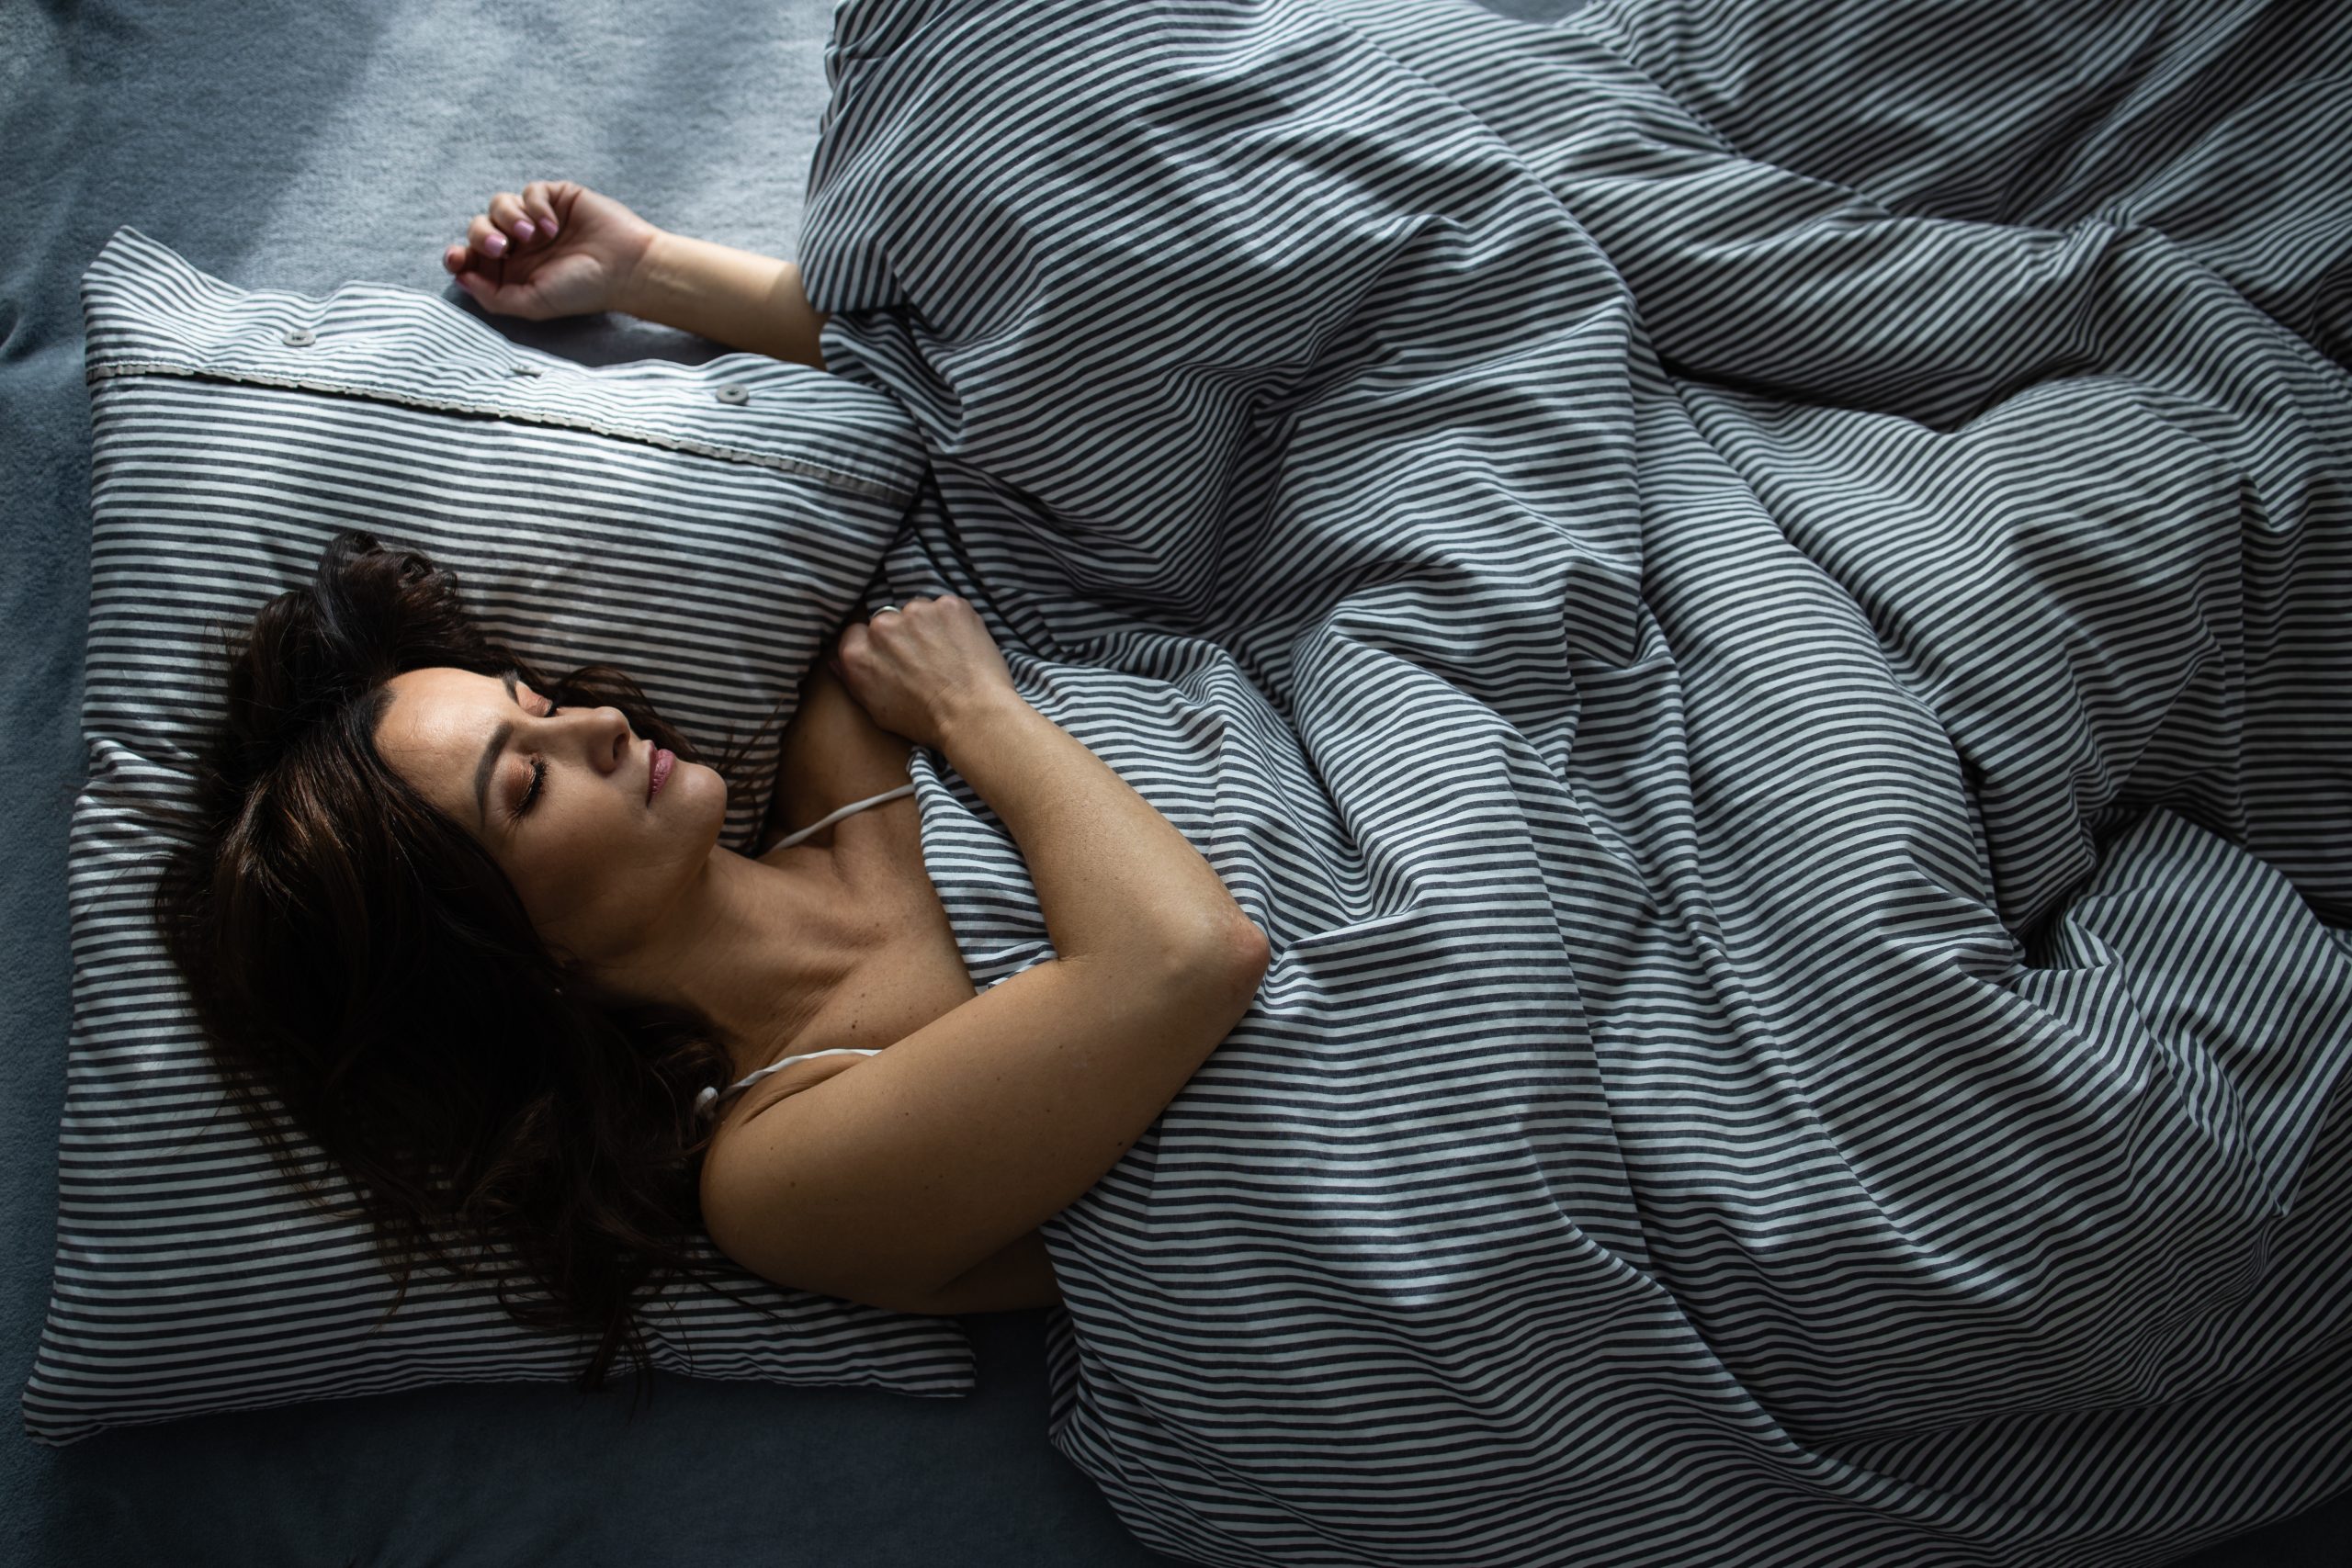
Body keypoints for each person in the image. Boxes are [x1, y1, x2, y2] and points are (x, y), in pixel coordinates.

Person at [153, 182, 1269, 1396]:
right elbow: (1181, 959)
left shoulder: (836, 731)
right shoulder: (777, 1172)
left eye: (531, 700)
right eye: (524, 786)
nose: (593, 725)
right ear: (502, 956)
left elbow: (971, 413)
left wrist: (649, 274)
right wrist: (976, 713)